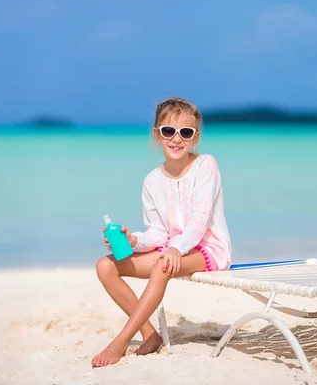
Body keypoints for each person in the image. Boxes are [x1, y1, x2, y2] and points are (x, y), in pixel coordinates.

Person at [92, 97, 231, 368]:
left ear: (195, 137)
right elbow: (157, 232)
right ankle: (149, 334)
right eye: (168, 131)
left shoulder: (206, 165)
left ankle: (120, 341)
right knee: (105, 266)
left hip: (208, 248)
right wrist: (134, 240)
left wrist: (177, 249)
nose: (176, 139)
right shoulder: (152, 180)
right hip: (171, 249)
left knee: (161, 265)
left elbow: (199, 221)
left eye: (186, 133)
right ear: (157, 134)